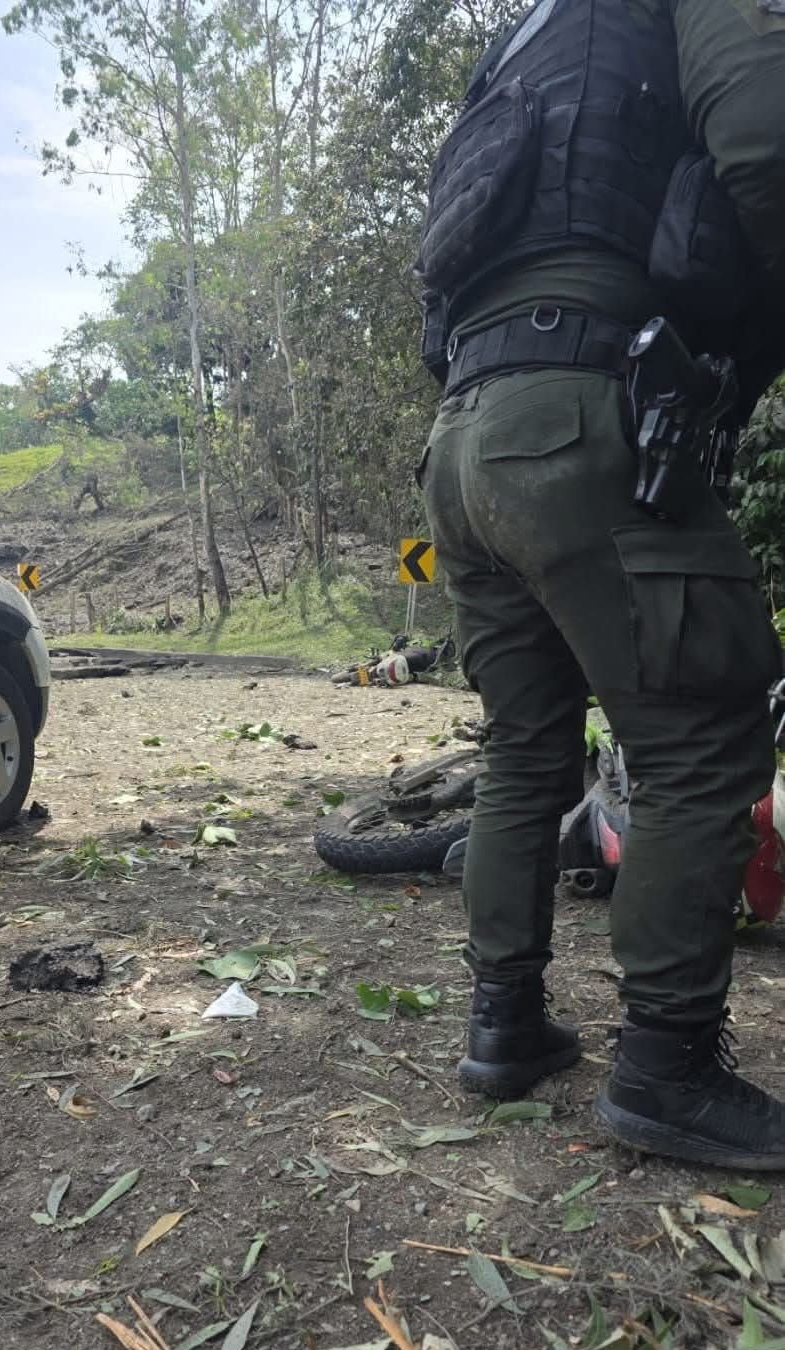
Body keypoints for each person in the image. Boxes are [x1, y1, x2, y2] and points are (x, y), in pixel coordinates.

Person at [415, 0, 785, 1168]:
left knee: (524, 747)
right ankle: (666, 1068)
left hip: (462, 435)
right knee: (702, 736)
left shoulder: (519, 42)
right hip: (582, 406)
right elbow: (765, 141)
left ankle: (504, 1027)